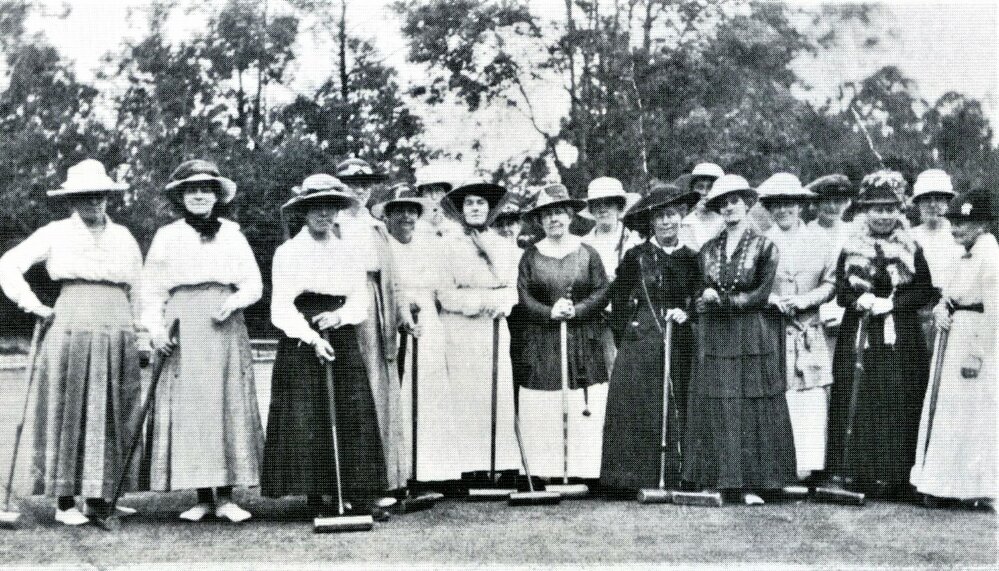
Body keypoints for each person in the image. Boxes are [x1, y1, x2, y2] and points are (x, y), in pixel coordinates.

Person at [0, 159, 143, 525]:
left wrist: (141, 330)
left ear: (109, 197)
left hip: (118, 321)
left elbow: (137, 287)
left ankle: (100, 497)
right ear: (71, 200)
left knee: (114, 406)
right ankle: (65, 502)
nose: (94, 203)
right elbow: (8, 264)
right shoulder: (55, 232)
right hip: (73, 319)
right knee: (70, 406)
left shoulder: (124, 236)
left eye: (100, 196)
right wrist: (32, 304)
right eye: (85, 197)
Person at [141, 159, 265, 522]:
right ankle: (202, 496)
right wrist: (157, 329)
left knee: (224, 403)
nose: (198, 194)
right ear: (181, 196)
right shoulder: (166, 236)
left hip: (223, 322)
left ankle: (227, 497)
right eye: (191, 189)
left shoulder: (232, 234)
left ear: (216, 196)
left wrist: (233, 302)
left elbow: (253, 284)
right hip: (183, 325)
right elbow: (151, 291)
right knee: (192, 408)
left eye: (205, 189)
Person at [261, 175, 391, 520]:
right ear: (303, 212)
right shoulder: (287, 252)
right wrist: (312, 337)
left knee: (352, 411)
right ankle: (317, 494)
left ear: (337, 211)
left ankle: (354, 493)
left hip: (341, 330)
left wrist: (340, 316)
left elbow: (359, 299)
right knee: (308, 414)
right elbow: (281, 307)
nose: (323, 213)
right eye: (315, 207)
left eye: (330, 207)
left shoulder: (348, 250)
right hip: (303, 335)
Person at [683, 174, 797, 504]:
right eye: (723, 202)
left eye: (735, 200)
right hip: (716, 336)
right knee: (718, 403)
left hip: (751, 333)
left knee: (750, 403)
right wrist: (703, 297)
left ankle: (751, 483)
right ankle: (718, 480)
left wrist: (727, 302)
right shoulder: (708, 249)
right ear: (718, 209)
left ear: (746, 204)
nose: (730, 207)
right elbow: (695, 293)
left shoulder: (765, 246)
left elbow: (762, 293)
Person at [824, 169, 936, 501]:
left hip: (899, 337)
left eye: (890, 209)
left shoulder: (911, 247)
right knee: (862, 399)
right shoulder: (851, 246)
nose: (884, 216)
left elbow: (924, 290)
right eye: (877, 208)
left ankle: (898, 476)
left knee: (897, 399)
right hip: (860, 332)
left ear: (900, 211)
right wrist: (860, 299)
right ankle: (858, 472)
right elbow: (841, 293)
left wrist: (894, 303)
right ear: (865, 211)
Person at [599, 183, 701, 493]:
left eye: (672, 215)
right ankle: (632, 479)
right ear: (651, 223)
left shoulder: (693, 257)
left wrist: (688, 314)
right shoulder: (636, 256)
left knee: (678, 400)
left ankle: (676, 475)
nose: (668, 222)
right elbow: (617, 299)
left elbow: (699, 297)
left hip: (679, 338)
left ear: (681, 217)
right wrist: (628, 329)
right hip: (641, 341)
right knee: (637, 404)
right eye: (661, 218)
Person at [516, 183, 610, 481]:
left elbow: (602, 291)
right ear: (540, 221)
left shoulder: (587, 253)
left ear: (570, 216)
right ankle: (545, 472)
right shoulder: (531, 256)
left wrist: (577, 309)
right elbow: (523, 295)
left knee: (585, 400)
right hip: (543, 340)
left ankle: (585, 471)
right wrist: (548, 312)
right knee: (544, 398)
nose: (554, 219)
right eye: (547, 215)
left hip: (583, 337)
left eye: (559, 212)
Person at [911, 188, 997, 509]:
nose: (958, 228)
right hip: (954, 335)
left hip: (975, 338)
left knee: (971, 411)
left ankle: (972, 487)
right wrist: (940, 309)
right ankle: (940, 482)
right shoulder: (963, 253)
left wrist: (979, 354)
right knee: (948, 406)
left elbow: (995, 310)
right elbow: (949, 294)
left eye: (967, 222)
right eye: (956, 222)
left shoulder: (990, 254)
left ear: (984, 225)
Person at [372, 184, 462, 489]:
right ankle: (401, 472)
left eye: (412, 210)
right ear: (387, 216)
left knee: (431, 391)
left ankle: (432, 471)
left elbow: (440, 287)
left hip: (428, 322)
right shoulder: (382, 247)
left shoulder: (429, 245)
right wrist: (401, 309)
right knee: (400, 391)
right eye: (399, 211)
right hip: (391, 319)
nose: (406, 217)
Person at [335, 158, 411, 494]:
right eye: (353, 183)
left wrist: (402, 314)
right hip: (339, 305)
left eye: (366, 183)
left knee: (380, 386)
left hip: (375, 307)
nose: (360, 190)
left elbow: (392, 277)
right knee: (349, 388)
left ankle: (384, 481)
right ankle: (346, 483)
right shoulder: (331, 224)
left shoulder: (375, 226)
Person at [437, 179, 521, 480]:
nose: (475, 208)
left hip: (494, 325)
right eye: (469, 203)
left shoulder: (504, 245)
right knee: (464, 394)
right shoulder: (447, 245)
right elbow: (444, 292)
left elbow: (513, 288)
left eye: (481, 203)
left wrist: (500, 304)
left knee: (495, 392)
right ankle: (468, 468)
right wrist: (476, 303)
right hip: (460, 326)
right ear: (461, 209)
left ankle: (499, 465)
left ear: (490, 209)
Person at [758, 173, 835, 483]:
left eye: (788, 204)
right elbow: (753, 284)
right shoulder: (761, 241)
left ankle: (808, 466)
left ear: (800, 206)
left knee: (810, 394)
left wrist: (805, 300)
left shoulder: (820, 240)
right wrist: (773, 299)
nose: (783, 210)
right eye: (776, 205)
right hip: (772, 327)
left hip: (808, 330)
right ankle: (779, 466)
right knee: (777, 393)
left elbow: (831, 283)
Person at [805, 174, 859, 355]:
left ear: (848, 203)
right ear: (816, 204)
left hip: (851, 310)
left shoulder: (855, 232)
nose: (832, 207)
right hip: (816, 312)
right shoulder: (806, 233)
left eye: (839, 201)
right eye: (826, 201)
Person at [910, 169, 962, 350]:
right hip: (916, 314)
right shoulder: (909, 236)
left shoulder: (960, 234)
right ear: (918, 203)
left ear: (948, 202)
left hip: (953, 311)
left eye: (939, 198)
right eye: (927, 198)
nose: (933, 204)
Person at [679, 162, 725, 251]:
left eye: (710, 188)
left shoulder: (726, 222)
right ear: (692, 191)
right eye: (700, 187)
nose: (704, 192)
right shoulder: (684, 224)